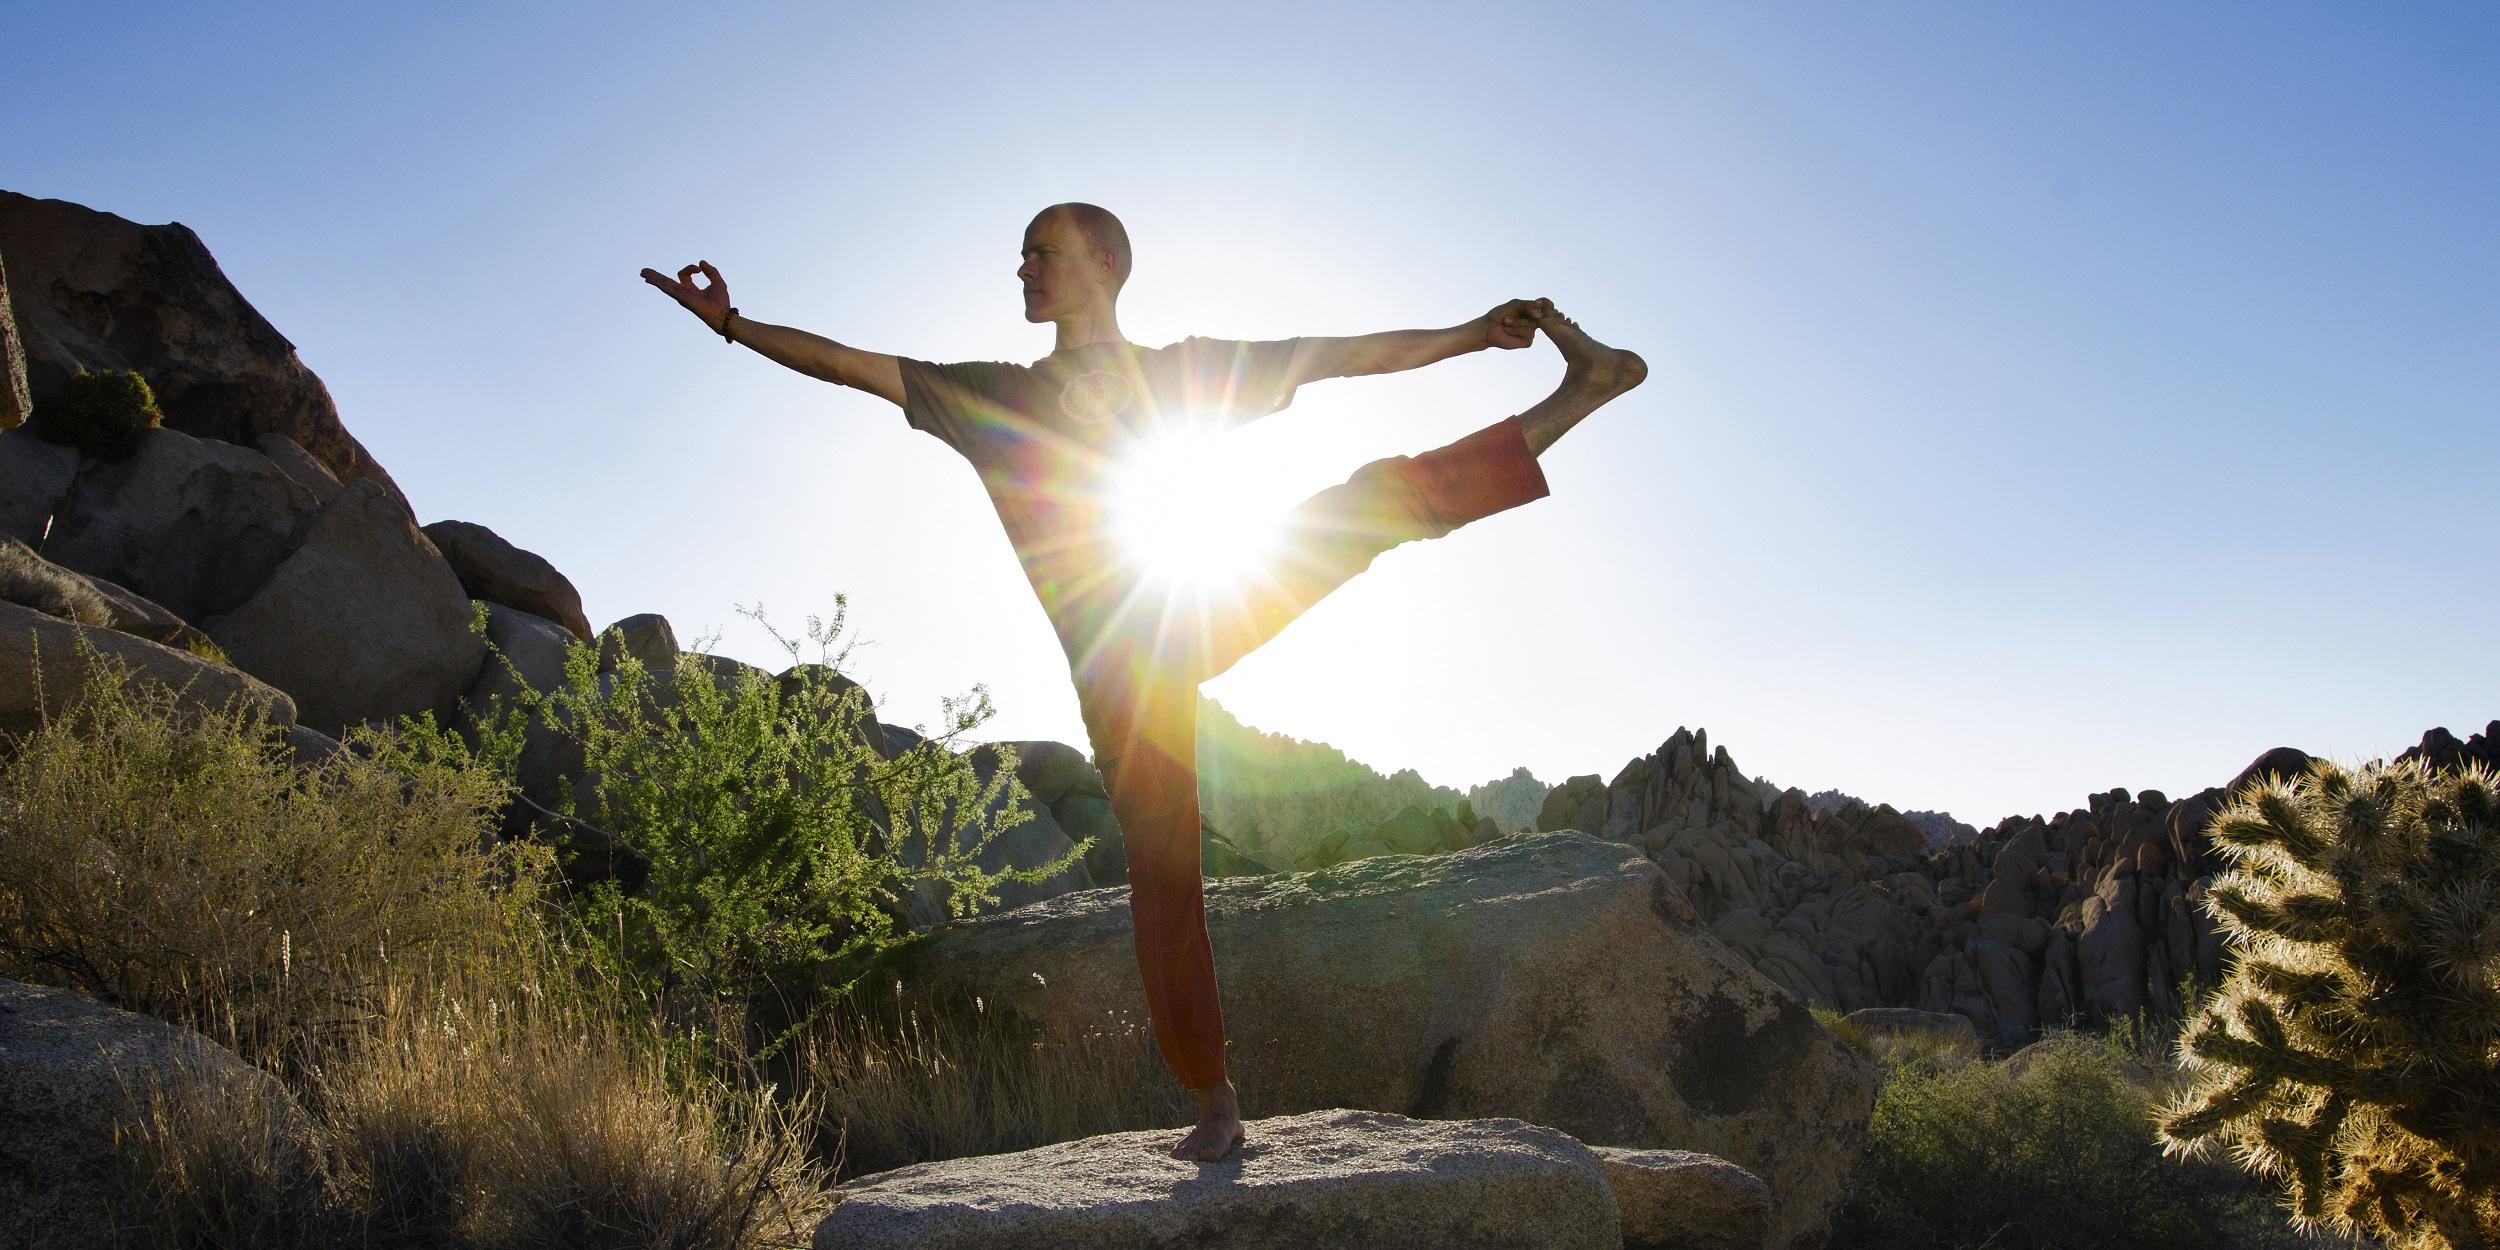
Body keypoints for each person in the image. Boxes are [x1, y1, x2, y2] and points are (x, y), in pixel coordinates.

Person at [641, 203, 1644, 1160]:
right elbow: (845, 365)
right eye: (1022, 254)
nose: (1024, 268)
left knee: (1374, 499)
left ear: (1105, 266)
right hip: (1125, 667)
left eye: (1043, 251)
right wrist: (732, 324)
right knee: (1162, 866)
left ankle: (1581, 390)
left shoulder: (1186, 373)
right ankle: (1213, 1096)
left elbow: (1339, 356)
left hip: (1195, 598)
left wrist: (1471, 334)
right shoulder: (990, 394)